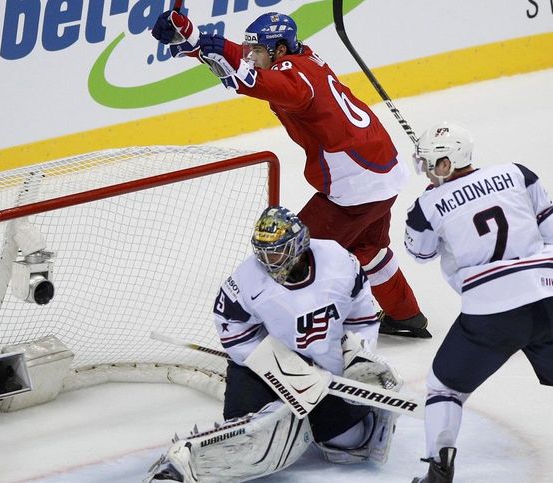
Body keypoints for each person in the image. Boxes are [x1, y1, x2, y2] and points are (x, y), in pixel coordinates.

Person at [151, 10, 430, 338]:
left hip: (355, 184)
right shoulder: (301, 54)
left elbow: (248, 79)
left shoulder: (296, 83)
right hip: (382, 171)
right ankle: (405, 315)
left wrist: (203, 43)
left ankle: (292, 337)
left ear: (279, 51)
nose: (252, 56)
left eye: (257, 51)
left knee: (289, 257)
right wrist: (193, 40)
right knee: (369, 249)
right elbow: (244, 63)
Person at [145, 206, 403, 482]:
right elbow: (231, 327)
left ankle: (317, 422)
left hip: (326, 373)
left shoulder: (338, 261)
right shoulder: (247, 279)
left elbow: (361, 313)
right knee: (248, 440)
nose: (269, 261)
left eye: (277, 252)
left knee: (350, 442)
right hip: (262, 370)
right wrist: (282, 366)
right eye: (263, 253)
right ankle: (179, 466)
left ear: (298, 245)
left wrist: (358, 355)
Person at [405, 122, 553, 482]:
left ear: (445, 165)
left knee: (445, 387)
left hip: (491, 312)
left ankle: (438, 470)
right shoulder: (517, 173)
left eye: (429, 163)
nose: (425, 169)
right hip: (549, 295)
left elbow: (419, 253)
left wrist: (437, 205)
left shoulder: (426, 205)